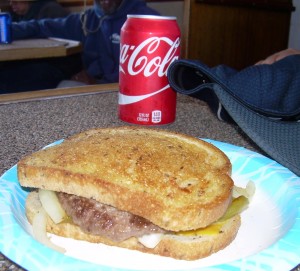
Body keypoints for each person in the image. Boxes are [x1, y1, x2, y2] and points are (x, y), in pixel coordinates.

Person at [0, 0, 159, 93]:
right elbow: (41, 26)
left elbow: (152, 79)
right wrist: (6, 30)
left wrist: (99, 83)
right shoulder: (87, 19)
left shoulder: (149, 20)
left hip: (128, 95)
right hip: (93, 91)